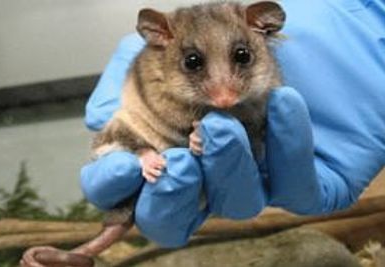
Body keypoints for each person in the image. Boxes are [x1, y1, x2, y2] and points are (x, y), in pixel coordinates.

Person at [81, 0, 385, 247]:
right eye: (194, 63)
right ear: (161, 35)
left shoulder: (269, 75)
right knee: (132, 157)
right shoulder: (154, 68)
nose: (225, 94)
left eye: (241, 57)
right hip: (154, 145)